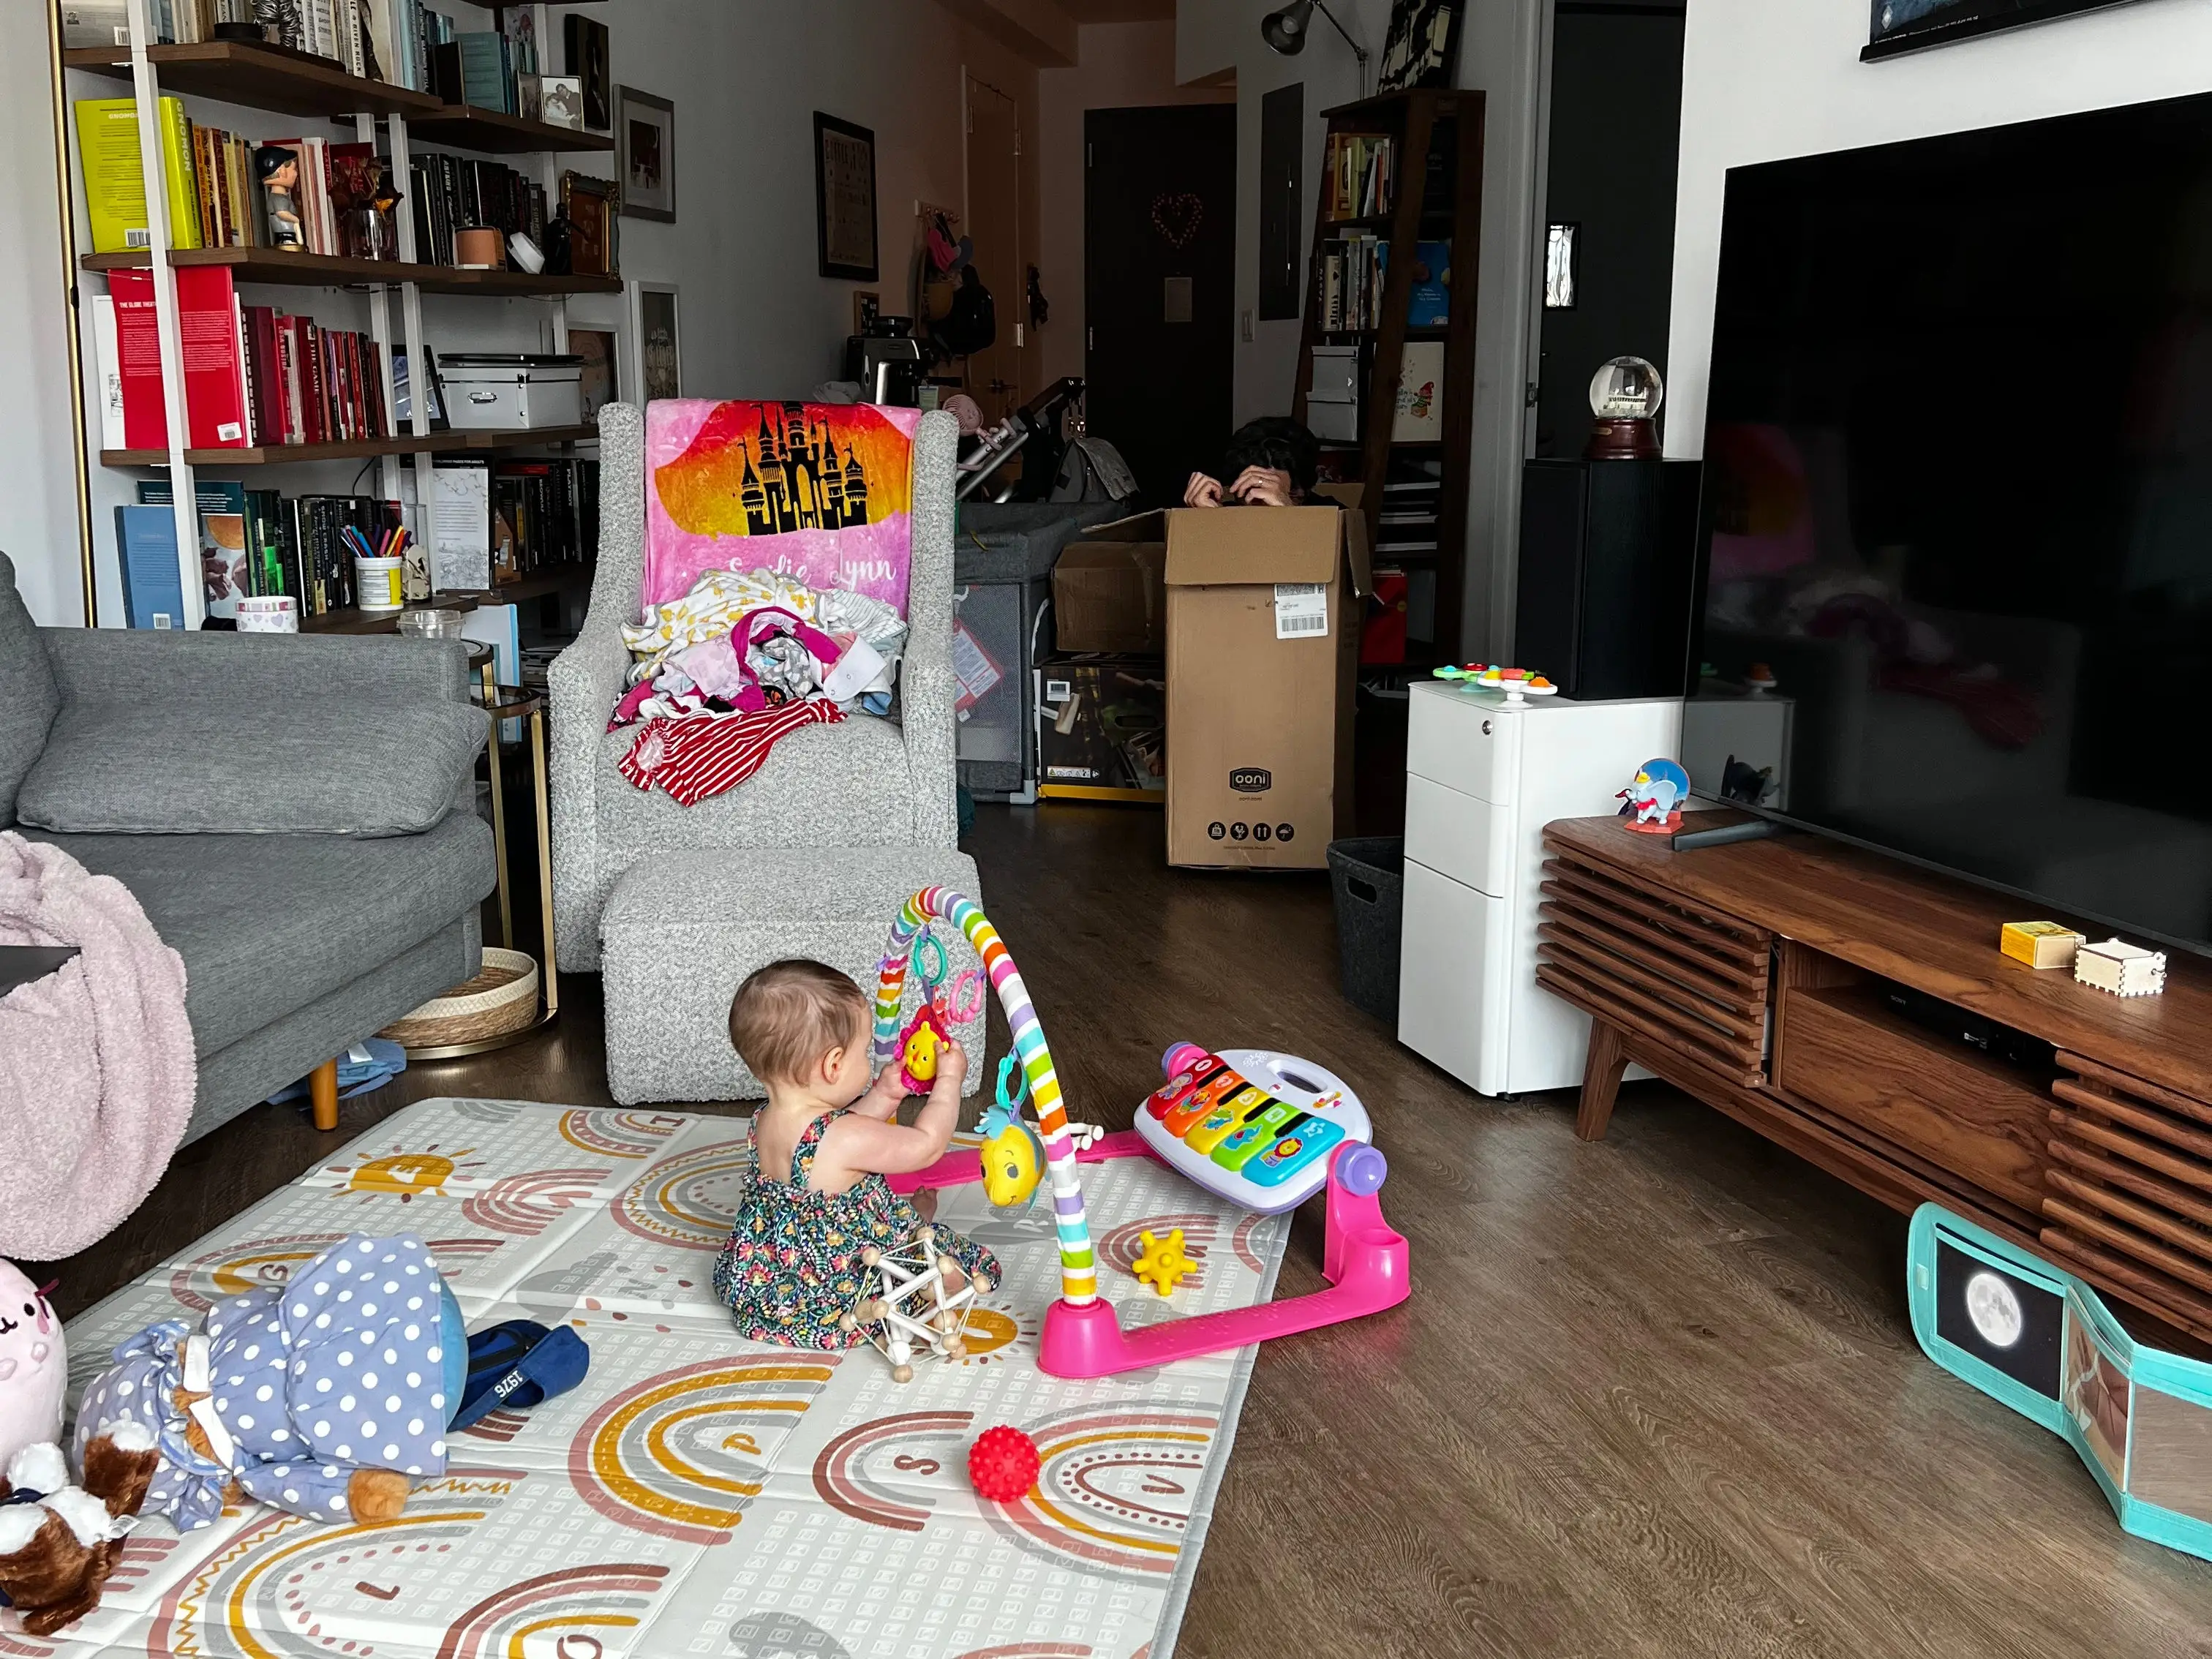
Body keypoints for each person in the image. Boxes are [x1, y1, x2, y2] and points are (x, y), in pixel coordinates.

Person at [712, 959, 999, 1350]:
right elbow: (926, 1145)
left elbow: (834, 1138)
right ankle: (924, 1265)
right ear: (833, 1065)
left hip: (782, 1277)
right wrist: (949, 1081)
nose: (869, 1059)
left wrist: (883, 1095)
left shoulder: (768, 1120)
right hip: (844, 1282)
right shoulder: (844, 1136)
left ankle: (904, 1226)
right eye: (864, 1051)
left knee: (896, 1222)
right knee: (954, 1263)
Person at [1181, 415, 1322, 508]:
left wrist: (1286, 513)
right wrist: (1206, 523)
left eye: (1286, 493)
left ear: (1302, 493)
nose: (1264, 500)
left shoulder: (1330, 513)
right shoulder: (1226, 506)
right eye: (1253, 491)